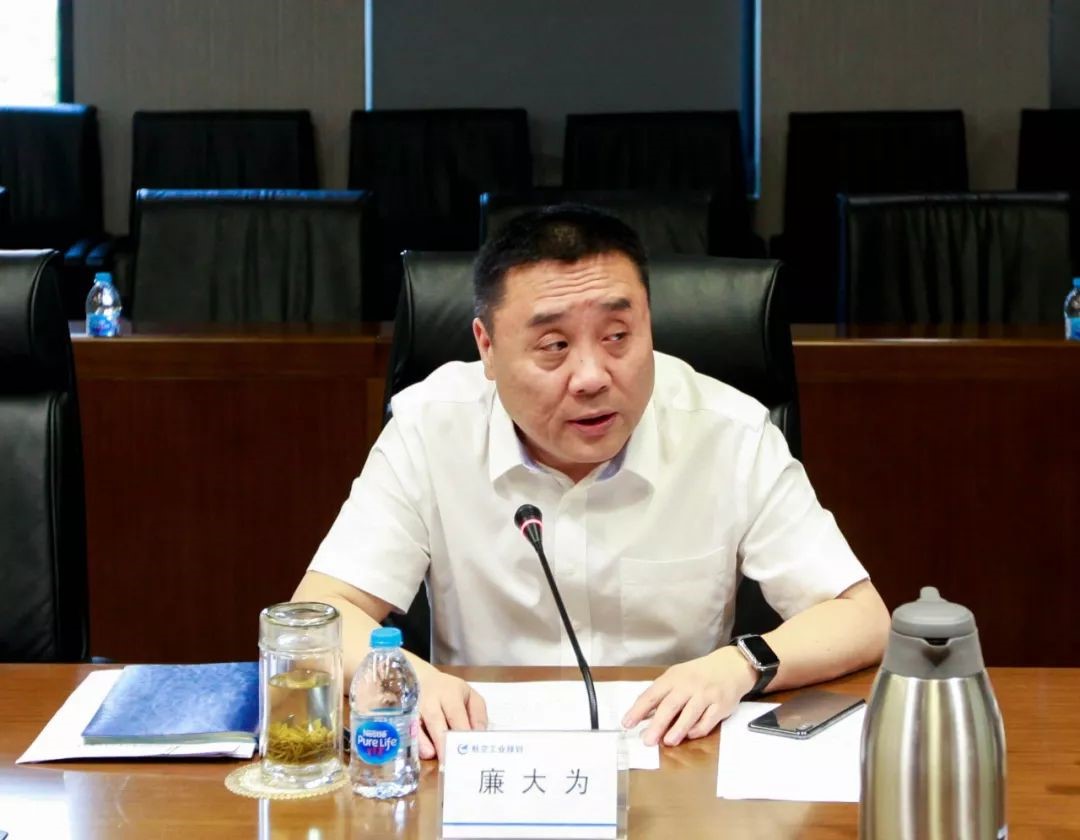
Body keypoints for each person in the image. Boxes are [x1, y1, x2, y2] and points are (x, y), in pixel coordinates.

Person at [293, 205, 890, 760]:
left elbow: (862, 617)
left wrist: (740, 664)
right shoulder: (430, 428)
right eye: (554, 346)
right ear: (488, 348)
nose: (591, 377)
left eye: (617, 337)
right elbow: (318, 614)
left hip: (676, 757)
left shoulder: (729, 432)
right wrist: (407, 677)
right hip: (484, 761)